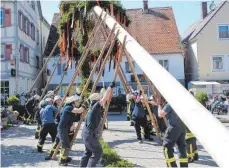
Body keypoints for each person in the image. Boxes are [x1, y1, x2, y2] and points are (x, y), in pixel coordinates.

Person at [80, 81, 115, 167]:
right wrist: (110, 87)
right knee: (97, 152)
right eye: (99, 98)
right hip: (89, 135)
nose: (100, 99)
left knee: (88, 152)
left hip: (85, 133)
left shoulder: (92, 108)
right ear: (96, 100)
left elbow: (106, 99)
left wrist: (109, 92)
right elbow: (104, 98)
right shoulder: (95, 107)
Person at [157, 96, 188, 167]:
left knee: (167, 147)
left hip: (173, 128)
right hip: (182, 127)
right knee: (181, 148)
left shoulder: (170, 104)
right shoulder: (182, 103)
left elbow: (160, 114)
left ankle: (172, 166)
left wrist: (159, 106)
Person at [58, 95, 89, 166]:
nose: (78, 103)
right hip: (63, 128)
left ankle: (65, 157)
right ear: (73, 102)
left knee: (67, 143)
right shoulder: (68, 107)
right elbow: (79, 110)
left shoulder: (71, 108)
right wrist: (84, 105)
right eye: (77, 101)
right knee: (65, 145)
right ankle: (61, 160)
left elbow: (76, 118)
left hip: (67, 128)